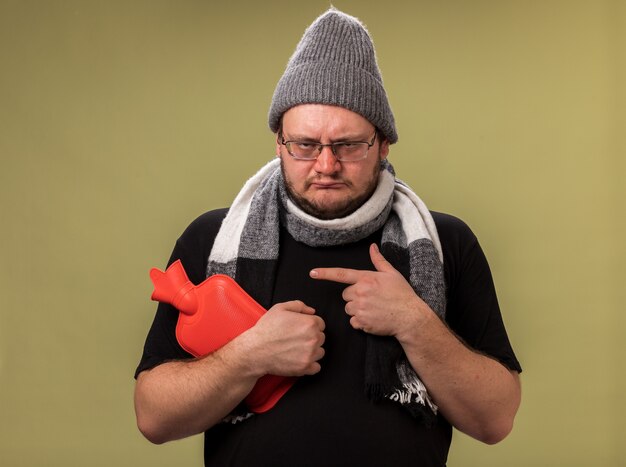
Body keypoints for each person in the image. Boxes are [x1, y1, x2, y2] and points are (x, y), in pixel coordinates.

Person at [134, 8, 522, 466]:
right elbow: (153, 418)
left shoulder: (444, 242)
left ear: (383, 144)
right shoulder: (213, 239)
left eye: (348, 145)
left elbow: (494, 420)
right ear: (279, 142)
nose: (325, 165)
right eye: (305, 145)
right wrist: (249, 355)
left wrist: (414, 323)